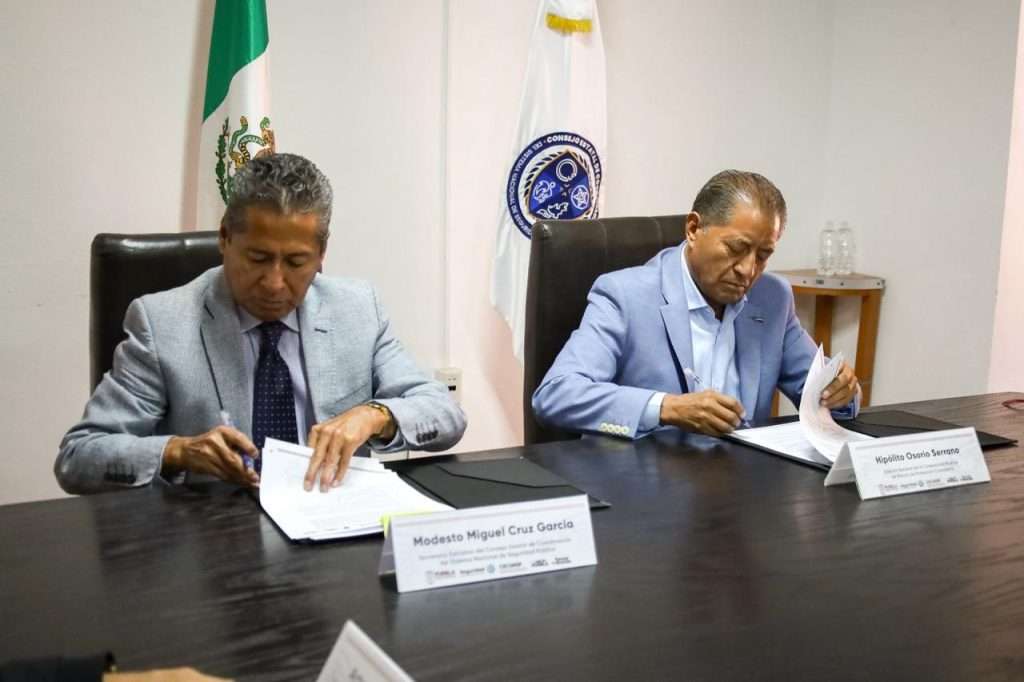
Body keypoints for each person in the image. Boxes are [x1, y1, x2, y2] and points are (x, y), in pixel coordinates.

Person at [56, 153, 465, 494]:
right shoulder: (162, 324)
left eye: (296, 262)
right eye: (257, 258)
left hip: (332, 525)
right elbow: (78, 457)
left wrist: (375, 415)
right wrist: (177, 452)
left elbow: (445, 413)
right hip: (216, 537)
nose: (274, 283)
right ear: (224, 238)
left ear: (321, 254)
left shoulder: (357, 309)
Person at [532, 169, 860, 439]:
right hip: (647, 483)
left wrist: (840, 390)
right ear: (693, 229)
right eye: (736, 248)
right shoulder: (624, 295)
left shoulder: (772, 297)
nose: (748, 270)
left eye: (763, 255)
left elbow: (823, 393)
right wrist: (667, 408)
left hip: (744, 482)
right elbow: (556, 395)